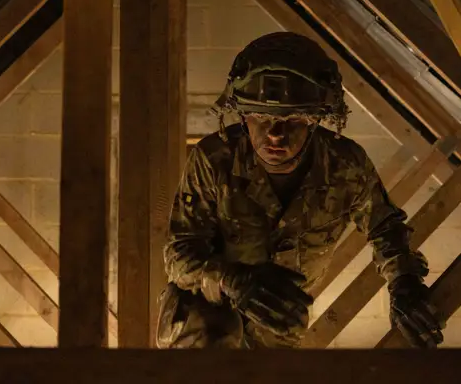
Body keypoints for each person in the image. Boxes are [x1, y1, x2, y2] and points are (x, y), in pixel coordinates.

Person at [156, 31, 444, 349]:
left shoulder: (344, 165)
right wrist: (232, 279)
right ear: (242, 116)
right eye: (262, 118)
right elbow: (179, 254)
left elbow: (385, 226)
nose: (276, 134)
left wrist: (403, 280)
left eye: (292, 119)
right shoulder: (215, 159)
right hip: (209, 308)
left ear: (316, 120)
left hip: (279, 319)